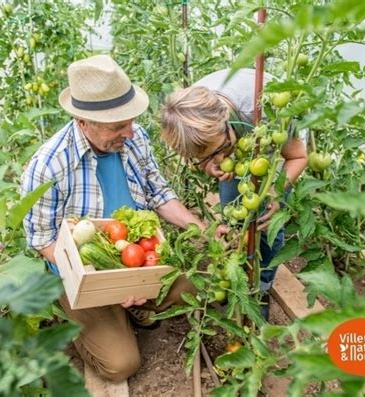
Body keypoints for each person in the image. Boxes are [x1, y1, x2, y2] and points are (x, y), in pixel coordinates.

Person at [21, 55, 221, 382]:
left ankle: (133, 306)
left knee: (202, 283)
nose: (129, 132)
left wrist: (203, 229)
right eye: (117, 126)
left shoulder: (135, 137)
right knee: (120, 365)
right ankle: (85, 321)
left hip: (137, 255)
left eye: (130, 121)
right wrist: (102, 284)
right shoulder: (49, 165)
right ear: (83, 122)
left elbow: (159, 194)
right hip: (83, 274)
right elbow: (44, 240)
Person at [161, 68, 308, 319]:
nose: (219, 160)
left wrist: (274, 193)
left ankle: (261, 287)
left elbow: (298, 157)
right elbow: (199, 156)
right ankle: (238, 278)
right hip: (239, 142)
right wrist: (209, 163)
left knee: (268, 223)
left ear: (227, 121)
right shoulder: (187, 120)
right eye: (207, 156)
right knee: (234, 219)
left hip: (274, 141)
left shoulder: (265, 111)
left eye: (221, 149)